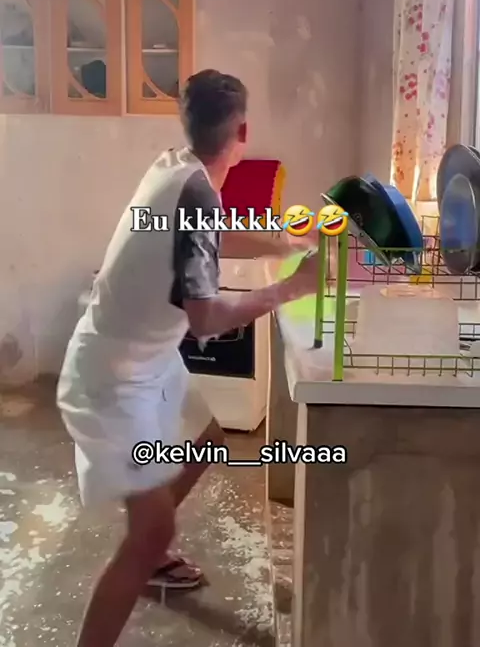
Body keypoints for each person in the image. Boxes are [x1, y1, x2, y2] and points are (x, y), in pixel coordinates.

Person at [57, 68, 320, 647]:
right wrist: (292, 288)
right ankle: (146, 550)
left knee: (205, 441)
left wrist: (287, 242)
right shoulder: (195, 187)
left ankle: (150, 551)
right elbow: (205, 320)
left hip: (140, 357)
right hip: (113, 379)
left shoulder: (175, 167)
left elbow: (208, 231)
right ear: (243, 132)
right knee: (150, 531)